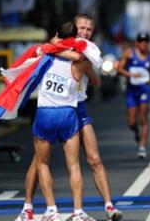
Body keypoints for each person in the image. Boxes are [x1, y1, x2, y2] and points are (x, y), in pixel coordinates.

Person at [15, 14, 122, 221]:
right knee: (39, 160)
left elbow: (93, 72)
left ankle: (109, 207)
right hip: (64, 108)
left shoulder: (87, 51)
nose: (85, 33)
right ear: (74, 29)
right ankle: (27, 206)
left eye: (89, 30)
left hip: (77, 107)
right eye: (81, 28)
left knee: (94, 158)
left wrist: (58, 49)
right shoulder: (59, 49)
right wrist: (59, 48)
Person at [32, 21, 95, 221]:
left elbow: (38, 54)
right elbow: (79, 56)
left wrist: (53, 44)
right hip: (68, 113)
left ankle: (52, 210)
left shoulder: (45, 55)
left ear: (57, 34)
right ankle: (78, 212)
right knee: (74, 165)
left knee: (42, 163)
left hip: (45, 113)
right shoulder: (80, 62)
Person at [116, 32, 150, 159]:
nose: (143, 44)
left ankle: (142, 147)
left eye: (146, 41)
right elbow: (119, 68)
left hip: (144, 90)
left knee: (143, 119)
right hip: (131, 90)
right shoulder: (129, 53)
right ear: (137, 42)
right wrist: (128, 74)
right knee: (131, 122)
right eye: (141, 41)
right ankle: (136, 133)